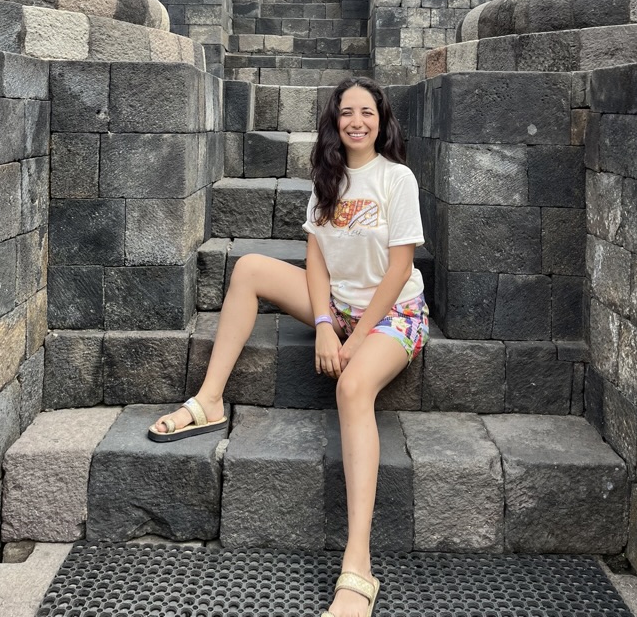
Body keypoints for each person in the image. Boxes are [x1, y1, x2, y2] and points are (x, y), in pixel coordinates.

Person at [149, 76, 429, 617]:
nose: (356, 121)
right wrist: (324, 324)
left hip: (394, 313)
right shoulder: (327, 178)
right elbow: (317, 256)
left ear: (382, 120)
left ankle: (358, 564)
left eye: (367, 112)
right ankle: (208, 400)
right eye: (346, 112)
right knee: (251, 268)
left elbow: (399, 270)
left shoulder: (398, 179)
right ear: (334, 121)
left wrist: (361, 333)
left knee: (351, 388)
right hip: (339, 308)